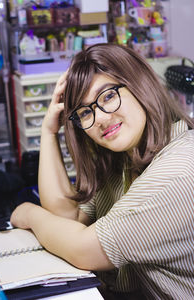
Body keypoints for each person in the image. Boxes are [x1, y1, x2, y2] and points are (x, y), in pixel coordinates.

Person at [11, 44, 194, 299]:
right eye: (85, 112)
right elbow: (67, 221)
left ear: (140, 85)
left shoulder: (178, 172)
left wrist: (29, 212)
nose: (100, 119)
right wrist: (48, 131)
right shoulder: (125, 158)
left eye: (108, 96)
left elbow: (81, 249)